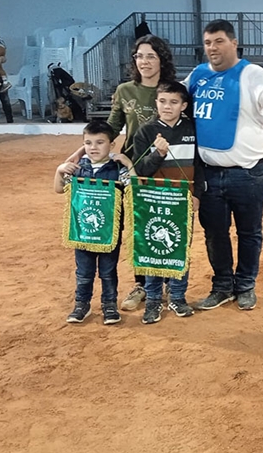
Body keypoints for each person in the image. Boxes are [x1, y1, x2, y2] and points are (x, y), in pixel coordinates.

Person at [184, 19, 263, 311]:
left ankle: (246, 285)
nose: (212, 48)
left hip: (247, 173)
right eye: (208, 42)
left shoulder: (251, 74)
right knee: (214, 233)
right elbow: (174, 101)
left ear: (234, 43)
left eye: (219, 41)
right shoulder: (197, 75)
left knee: (249, 232)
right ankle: (222, 286)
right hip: (207, 173)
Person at [108, 35, 176, 311]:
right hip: (134, 169)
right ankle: (143, 284)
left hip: (167, 170)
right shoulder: (125, 91)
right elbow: (112, 127)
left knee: (167, 224)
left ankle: (171, 282)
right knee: (138, 228)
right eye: (139, 56)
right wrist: (79, 153)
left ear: (161, 59)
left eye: (151, 56)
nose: (144, 61)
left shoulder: (173, 89)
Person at [132, 81, 201, 324]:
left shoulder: (193, 129)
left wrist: (196, 194)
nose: (167, 107)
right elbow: (140, 169)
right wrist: (158, 153)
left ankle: (178, 295)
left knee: (179, 247)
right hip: (153, 199)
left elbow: (201, 165)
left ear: (183, 105)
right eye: (162, 101)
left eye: (173, 102)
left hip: (181, 200)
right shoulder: (145, 132)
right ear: (156, 103)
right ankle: (152, 299)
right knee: (153, 248)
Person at [54, 120, 134, 325]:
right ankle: (82, 305)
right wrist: (59, 170)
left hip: (109, 232)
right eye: (88, 143)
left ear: (112, 145)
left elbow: (135, 189)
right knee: (83, 272)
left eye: (100, 142)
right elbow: (59, 188)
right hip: (82, 231)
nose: (93, 148)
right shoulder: (79, 168)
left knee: (108, 271)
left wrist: (128, 164)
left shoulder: (118, 169)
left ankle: (109, 305)